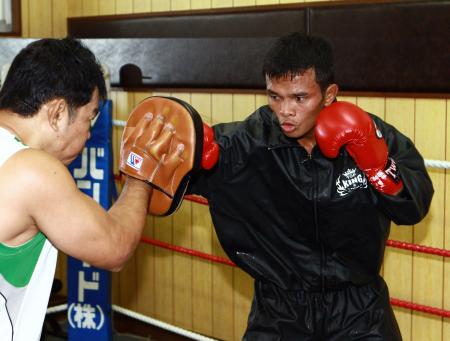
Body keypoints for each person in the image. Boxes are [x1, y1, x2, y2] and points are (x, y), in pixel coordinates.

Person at [187, 32, 434, 340]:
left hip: (359, 310)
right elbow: (172, 183)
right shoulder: (246, 143)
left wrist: (378, 166)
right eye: (275, 96)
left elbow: (414, 207)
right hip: (280, 311)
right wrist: (172, 158)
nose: (285, 111)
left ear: (329, 94)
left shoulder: (371, 133)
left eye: (299, 98)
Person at [0, 38, 185, 341]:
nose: (88, 134)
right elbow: (115, 247)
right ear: (58, 113)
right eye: (89, 118)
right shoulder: (32, 171)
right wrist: (142, 173)